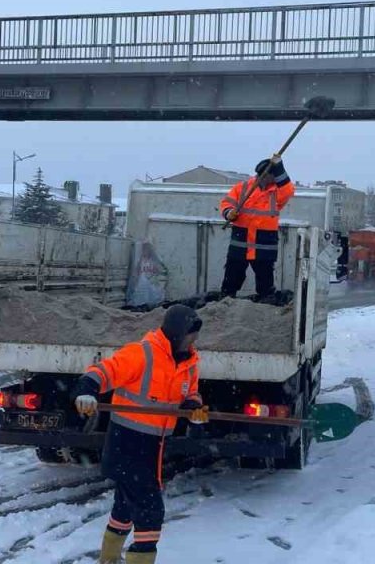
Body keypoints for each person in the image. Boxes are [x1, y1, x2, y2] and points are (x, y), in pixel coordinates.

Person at [73, 304, 208, 564]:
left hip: (154, 445)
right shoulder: (142, 354)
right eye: (190, 334)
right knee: (150, 510)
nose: (194, 340)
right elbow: (104, 371)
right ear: (177, 332)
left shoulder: (190, 363)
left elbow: (191, 392)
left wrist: (193, 407)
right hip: (126, 443)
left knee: (125, 505)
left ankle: (108, 559)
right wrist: (87, 390)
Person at [218, 154, 295, 298]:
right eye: (263, 176)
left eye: (271, 176)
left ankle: (266, 305)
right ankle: (226, 302)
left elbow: (288, 190)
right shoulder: (243, 188)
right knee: (231, 279)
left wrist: (280, 167)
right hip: (241, 244)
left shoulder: (277, 192)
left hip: (264, 246)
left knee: (265, 283)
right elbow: (226, 203)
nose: (266, 179)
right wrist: (229, 213)